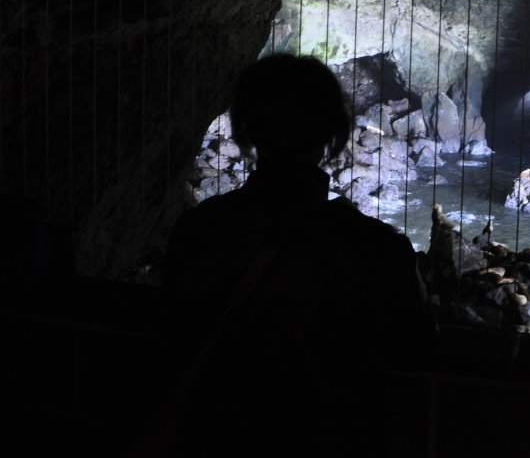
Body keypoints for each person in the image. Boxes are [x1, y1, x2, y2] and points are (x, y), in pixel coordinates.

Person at [159, 53, 434, 456]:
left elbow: (172, 337)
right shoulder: (376, 248)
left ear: (245, 131)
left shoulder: (200, 230)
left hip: (218, 437)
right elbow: (416, 352)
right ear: (333, 136)